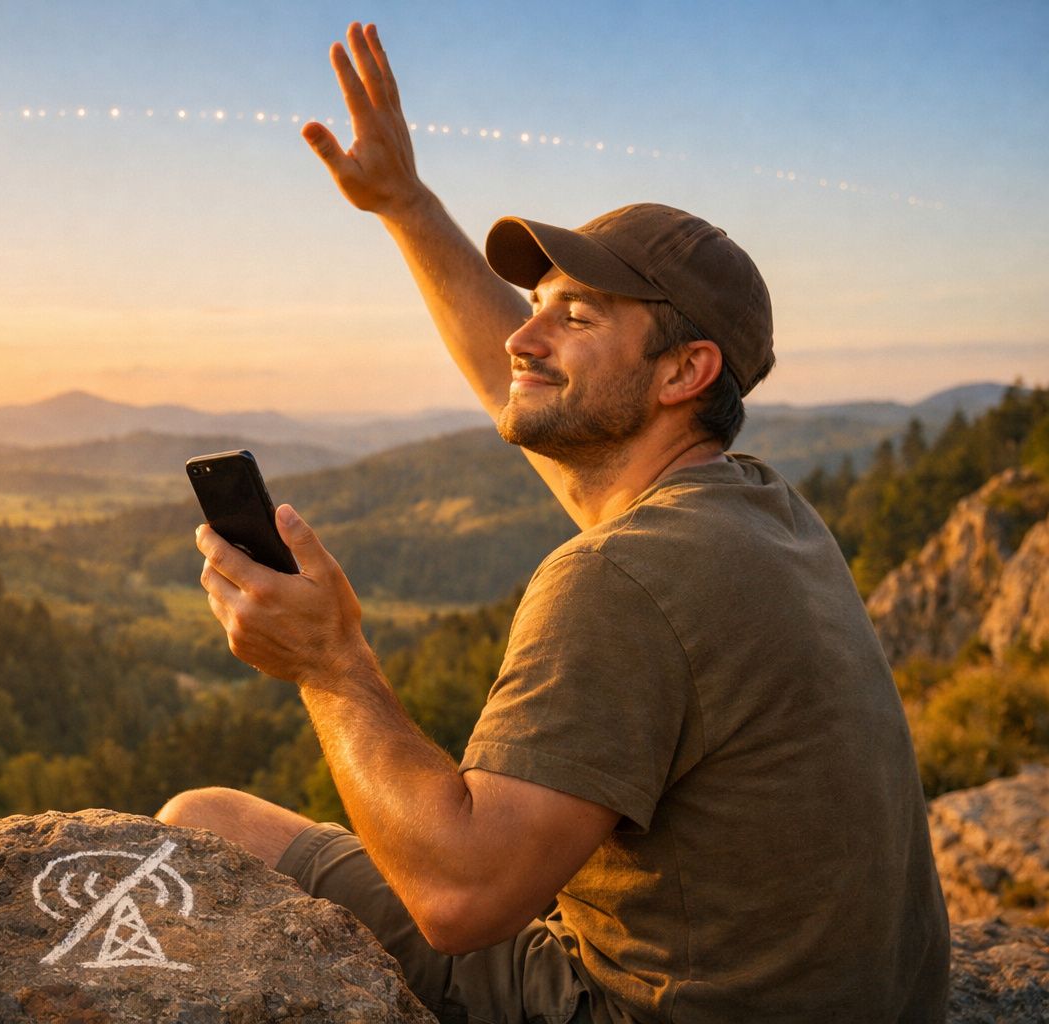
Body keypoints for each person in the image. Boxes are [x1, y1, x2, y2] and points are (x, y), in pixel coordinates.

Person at [157, 21, 949, 1024]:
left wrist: (329, 662)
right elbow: (524, 378)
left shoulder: (622, 578)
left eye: (576, 316)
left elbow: (460, 897)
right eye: (537, 302)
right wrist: (404, 203)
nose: (527, 334)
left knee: (207, 821)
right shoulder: (756, 513)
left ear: (683, 372)